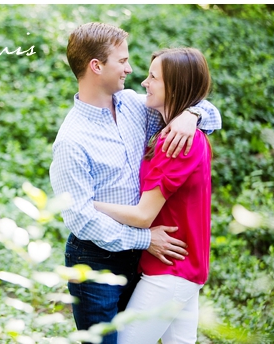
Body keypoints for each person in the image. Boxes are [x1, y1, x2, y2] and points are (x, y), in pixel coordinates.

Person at [49, 23, 220, 344]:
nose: (131, 69)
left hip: (139, 258)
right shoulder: (71, 140)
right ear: (96, 66)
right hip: (96, 262)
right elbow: (81, 219)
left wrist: (192, 114)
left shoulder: (133, 106)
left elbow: (188, 100)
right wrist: (144, 238)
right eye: (122, 61)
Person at [94, 48, 214, 344]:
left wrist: (86, 203)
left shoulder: (177, 142)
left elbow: (143, 215)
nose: (144, 82)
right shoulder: (177, 132)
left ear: (174, 86)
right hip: (181, 268)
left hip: (169, 271)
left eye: (153, 77)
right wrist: (193, 112)